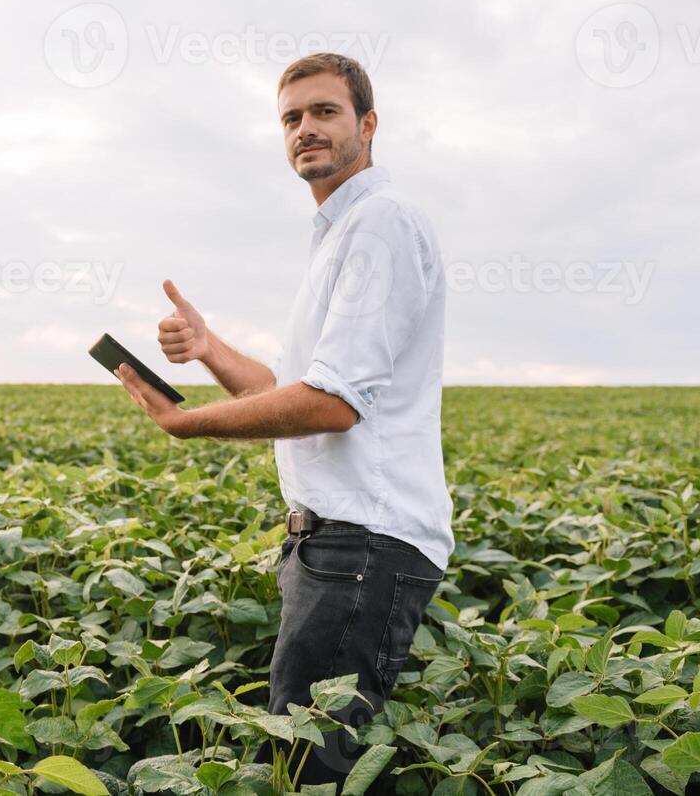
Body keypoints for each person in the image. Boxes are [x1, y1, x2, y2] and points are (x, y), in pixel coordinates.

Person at [112, 52, 453, 788]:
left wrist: (188, 423)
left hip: (362, 541)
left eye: (325, 112)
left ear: (368, 124)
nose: (306, 129)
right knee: (312, 757)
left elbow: (332, 404)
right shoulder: (339, 235)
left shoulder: (378, 225)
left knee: (306, 768)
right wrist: (207, 350)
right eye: (292, 118)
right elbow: (284, 388)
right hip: (340, 543)